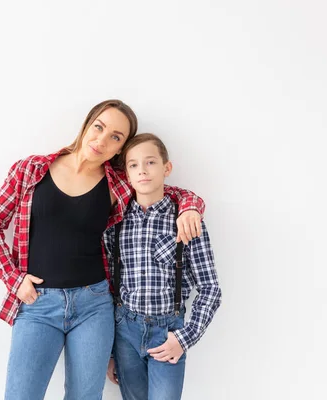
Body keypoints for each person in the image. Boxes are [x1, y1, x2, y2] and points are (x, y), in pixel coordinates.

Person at [0, 100, 206, 400]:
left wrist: (190, 208)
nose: (102, 140)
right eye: (100, 127)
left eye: (116, 137)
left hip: (94, 306)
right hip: (37, 305)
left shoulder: (119, 184)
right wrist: (14, 279)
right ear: (87, 124)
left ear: (120, 149)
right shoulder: (31, 170)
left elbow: (166, 190)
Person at [104, 133, 222, 400]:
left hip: (167, 331)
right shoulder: (116, 224)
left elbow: (210, 288)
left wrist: (184, 337)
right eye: (133, 165)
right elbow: (111, 287)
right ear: (127, 175)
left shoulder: (187, 221)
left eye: (150, 162)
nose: (142, 171)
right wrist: (110, 353)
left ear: (166, 168)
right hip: (125, 331)